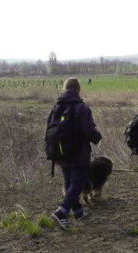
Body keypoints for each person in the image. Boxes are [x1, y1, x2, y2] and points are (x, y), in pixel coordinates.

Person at [51, 77, 102, 229]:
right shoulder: (82, 107)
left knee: (68, 182)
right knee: (78, 183)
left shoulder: (56, 107)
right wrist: (97, 137)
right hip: (78, 153)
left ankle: (78, 211)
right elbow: (89, 130)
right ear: (78, 90)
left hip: (60, 152)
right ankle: (61, 211)